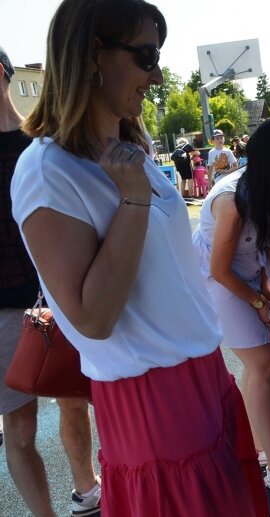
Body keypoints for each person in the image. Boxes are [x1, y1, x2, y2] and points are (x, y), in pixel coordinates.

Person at [10, 1, 269, 515]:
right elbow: (92, 317)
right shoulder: (47, 170)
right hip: (152, 395)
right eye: (146, 56)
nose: (155, 75)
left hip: (203, 374)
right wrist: (131, 198)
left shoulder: (126, 146)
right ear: (91, 57)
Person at [0, 43, 101, 517]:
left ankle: (88, 493)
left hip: (54, 295)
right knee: (18, 430)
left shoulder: (42, 145)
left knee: (74, 403)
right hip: (1, 312)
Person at [192, 118, 270, 491]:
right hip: (216, 280)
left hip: (243, 274)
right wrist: (258, 300)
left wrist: (263, 286)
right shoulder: (232, 201)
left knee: (261, 364)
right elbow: (220, 270)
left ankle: (257, 446)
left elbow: (261, 250)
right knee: (263, 363)